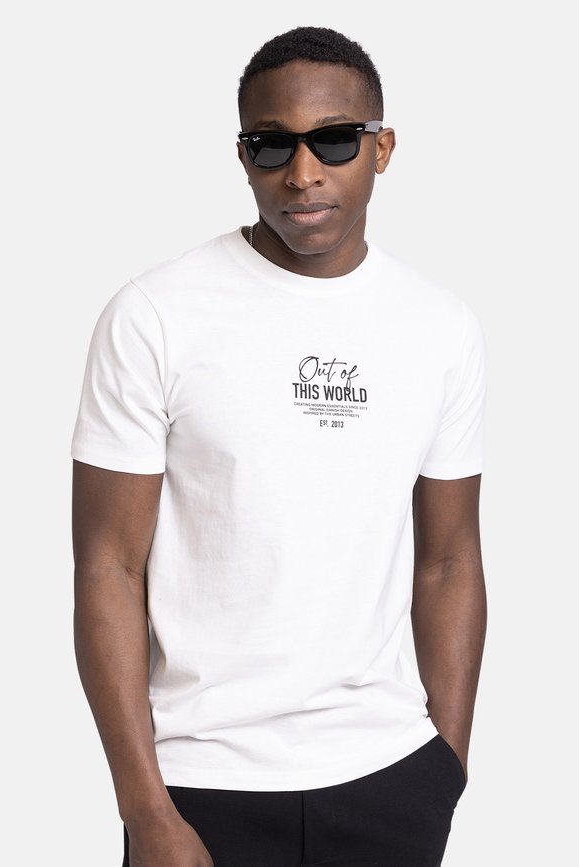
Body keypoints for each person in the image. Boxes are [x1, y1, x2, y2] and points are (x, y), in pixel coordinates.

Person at [71, 25, 488, 867]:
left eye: (334, 140)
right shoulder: (155, 315)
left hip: (390, 778)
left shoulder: (440, 327)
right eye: (271, 145)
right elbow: (108, 566)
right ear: (243, 155)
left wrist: (445, 769)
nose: (302, 173)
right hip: (200, 787)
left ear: (382, 148)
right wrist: (146, 811)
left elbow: (449, 560)